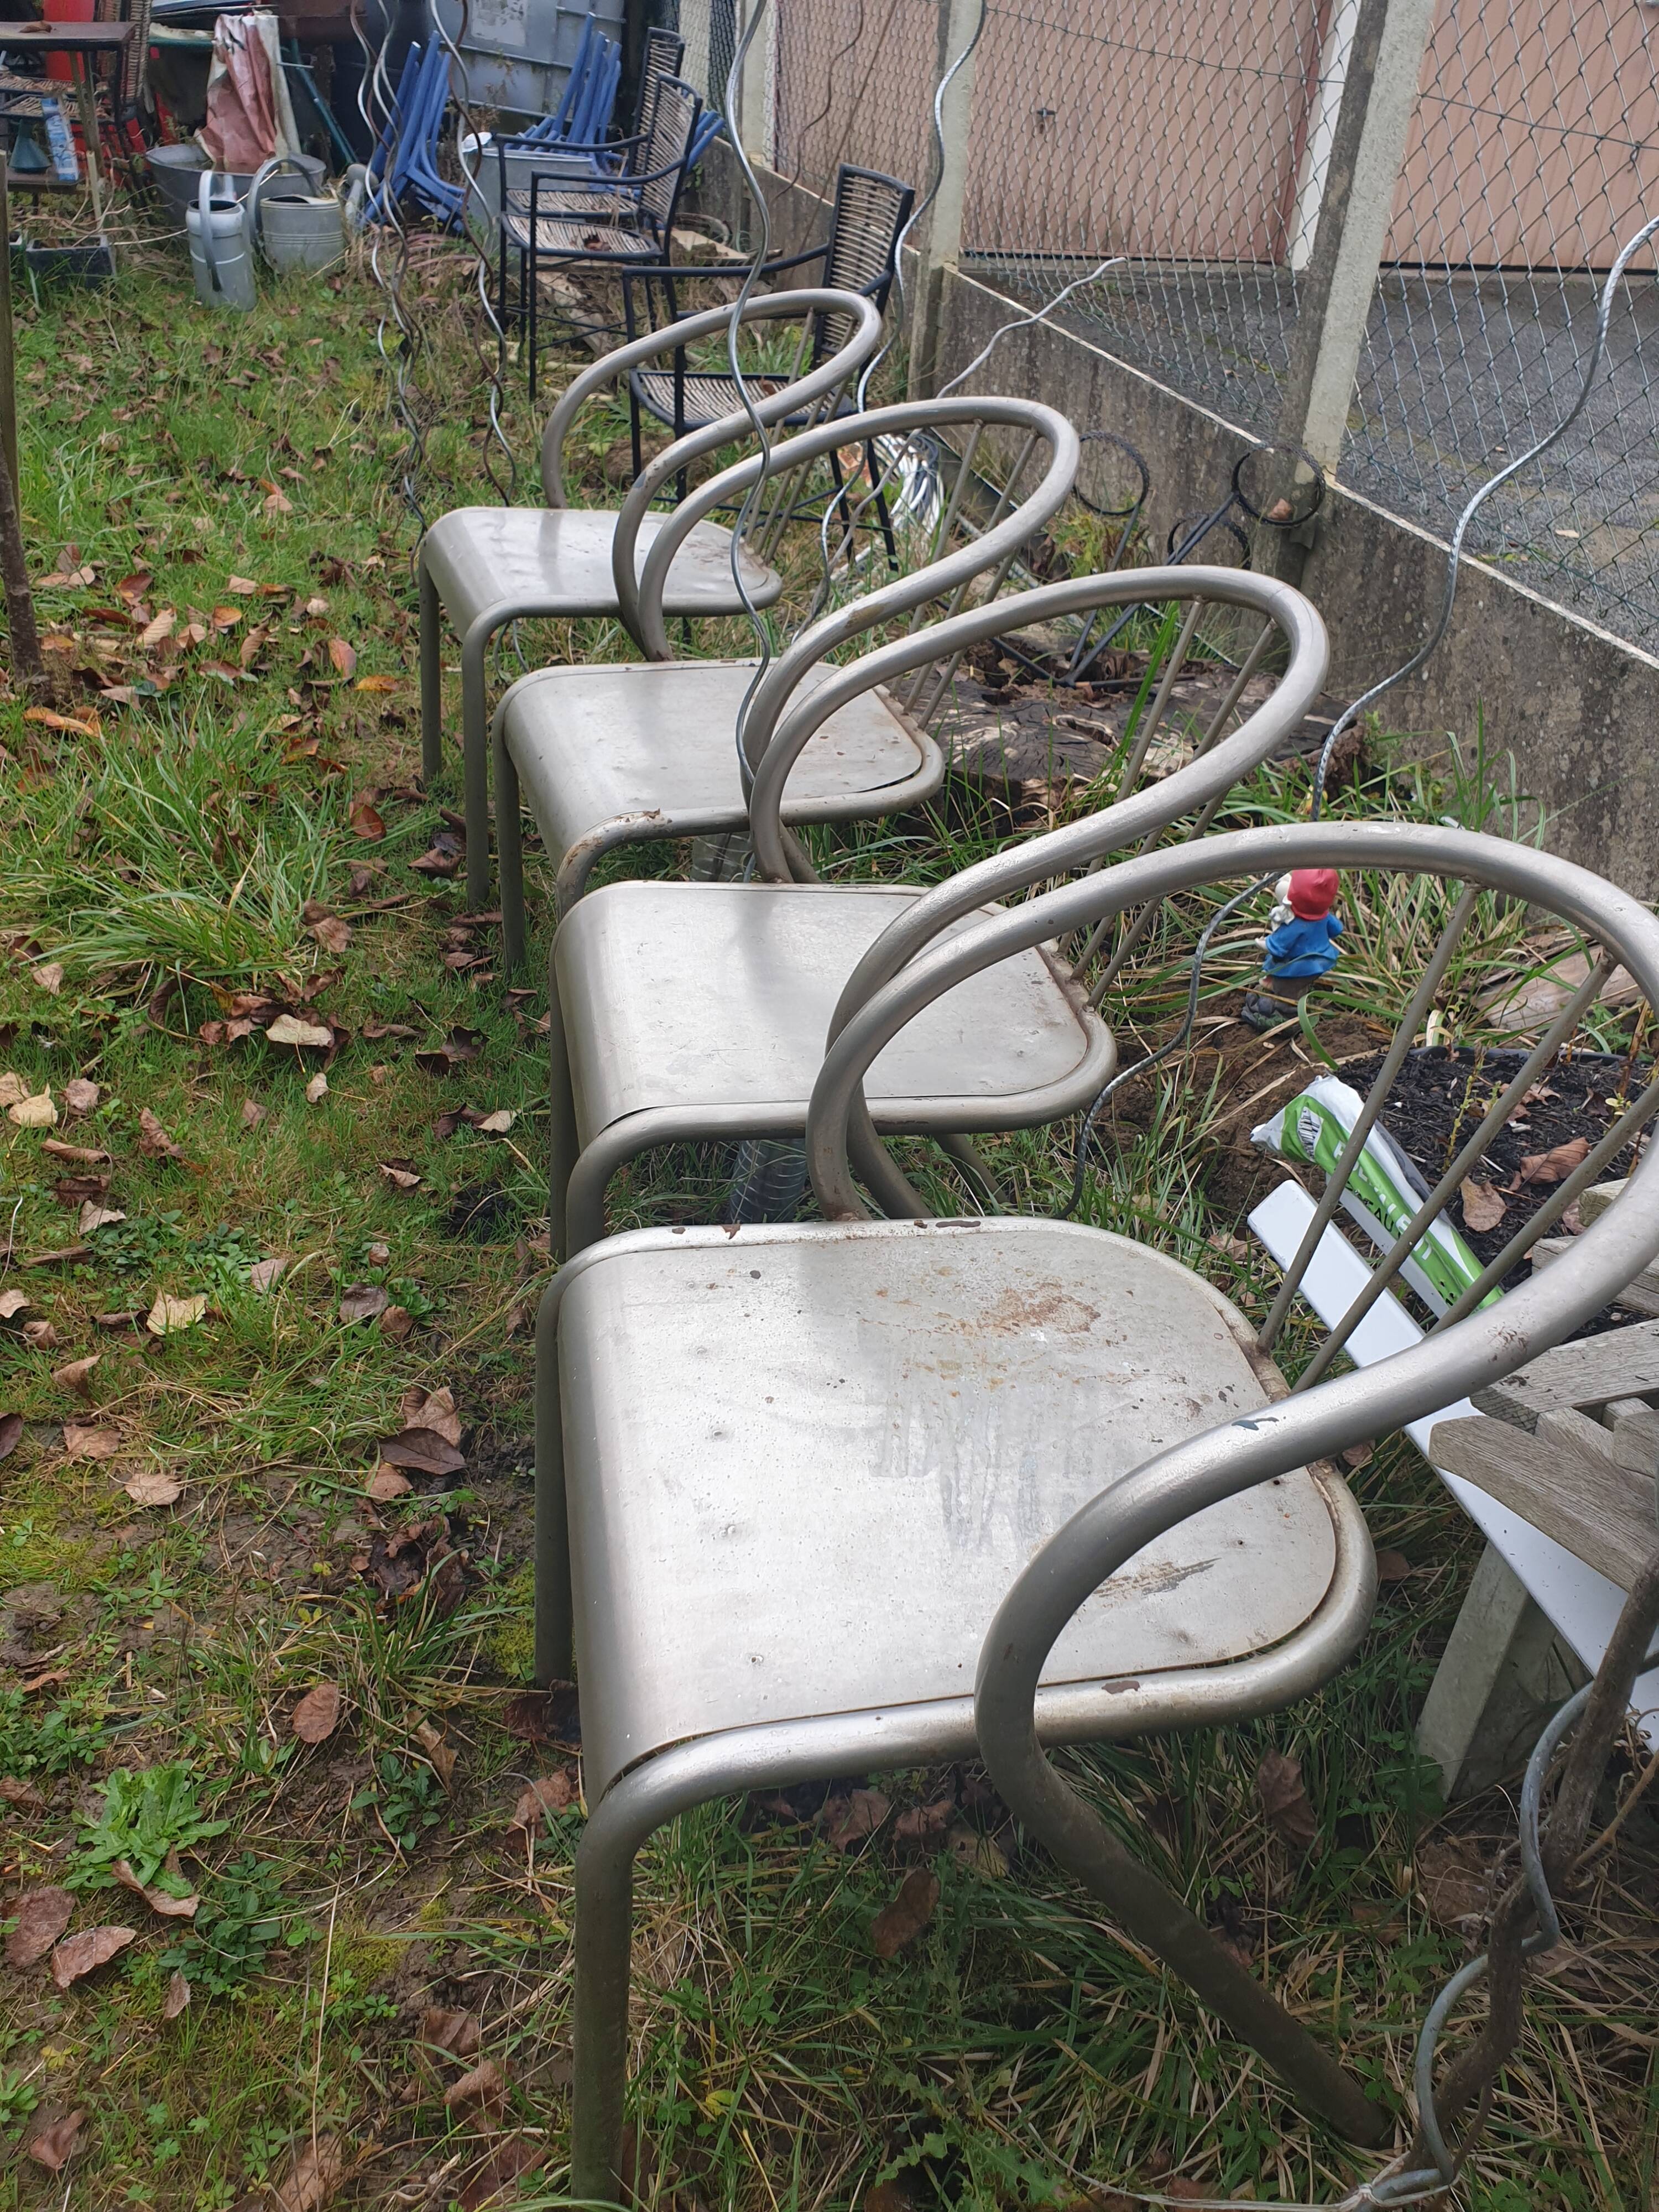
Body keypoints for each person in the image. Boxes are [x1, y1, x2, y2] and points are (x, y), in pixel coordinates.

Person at [1241, 867, 1342, 1032]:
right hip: (1320, 963)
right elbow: (1337, 929)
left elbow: (1277, 946)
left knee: (1285, 990)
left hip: (1295, 968)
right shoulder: (1325, 917)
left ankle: (1286, 1015)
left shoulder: (1296, 926)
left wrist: (1263, 943)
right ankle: (1299, 1004)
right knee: (1300, 988)